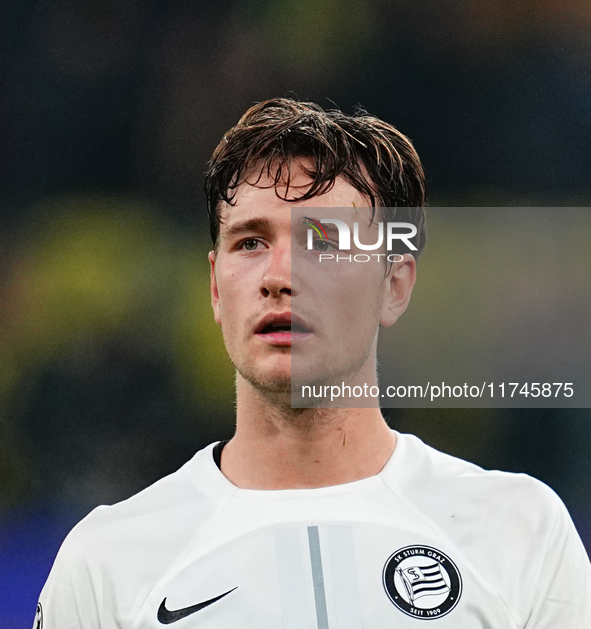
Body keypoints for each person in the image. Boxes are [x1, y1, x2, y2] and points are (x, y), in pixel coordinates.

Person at [35, 98, 590, 628]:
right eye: (250, 242)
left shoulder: (519, 532)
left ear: (394, 286)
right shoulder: (107, 563)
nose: (281, 276)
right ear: (214, 287)